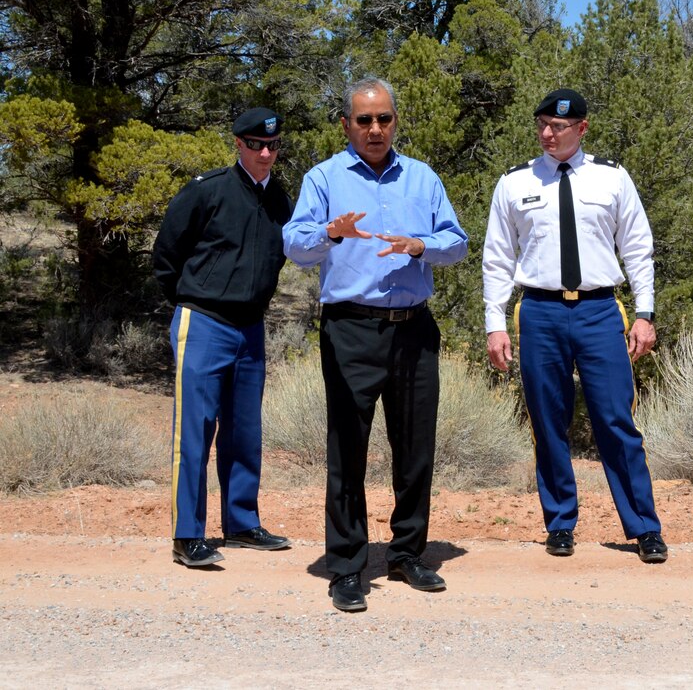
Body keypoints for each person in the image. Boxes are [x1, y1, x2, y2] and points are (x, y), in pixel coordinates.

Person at [283, 77, 468, 613]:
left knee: (415, 447)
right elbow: (295, 243)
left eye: (383, 119)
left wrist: (420, 245)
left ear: (395, 122)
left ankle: (408, 554)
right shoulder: (324, 178)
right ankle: (346, 565)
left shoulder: (423, 178)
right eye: (363, 120)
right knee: (348, 449)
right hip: (351, 328)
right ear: (346, 125)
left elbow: (455, 242)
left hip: (413, 328)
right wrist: (332, 234)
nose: (374, 129)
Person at [482, 88, 667, 564]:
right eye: (542, 124)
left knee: (615, 419)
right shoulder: (515, 182)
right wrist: (494, 324)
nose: (548, 133)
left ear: (581, 129)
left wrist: (644, 313)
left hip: (599, 310)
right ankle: (560, 522)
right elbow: (498, 258)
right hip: (539, 311)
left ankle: (644, 526)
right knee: (548, 421)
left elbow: (638, 247)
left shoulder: (612, 178)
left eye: (559, 126)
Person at [153, 107, 294, 568]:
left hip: (251, 328)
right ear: (238, 144)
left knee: (243, 431)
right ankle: (187, 534)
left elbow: (280, 256)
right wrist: (193, 300)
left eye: (273, 146)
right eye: (256, 145)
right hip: (204, 321)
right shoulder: (207, 191)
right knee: (195, 429)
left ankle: (240, 522)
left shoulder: (280, 199)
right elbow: (167, 255)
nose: (266, 153)